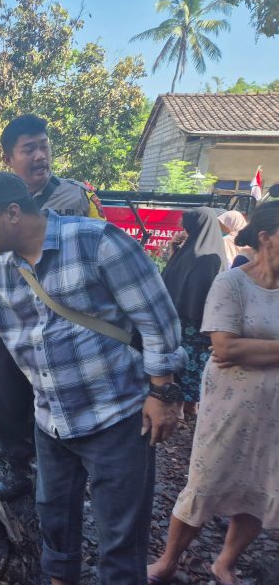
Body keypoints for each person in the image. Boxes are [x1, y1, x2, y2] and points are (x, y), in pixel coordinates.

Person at [0, 172, 186, 584]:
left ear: (12, 213)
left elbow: (159, 321)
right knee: (55, 522)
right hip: (52, 420)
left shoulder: (99, 243)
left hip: (116, 416)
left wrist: (162, 392)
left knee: (119, 536)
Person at [0, 113, 106, 500]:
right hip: (4, 327)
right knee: (4, 400)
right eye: (29, 149)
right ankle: (17, 467)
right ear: (10, 158)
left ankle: (61, 470)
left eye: (44, 145)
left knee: (62, 396)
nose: (40, 155)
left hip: (62, 326)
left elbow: (98, 253)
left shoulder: (75, 196)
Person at [148, 201, 279, 585]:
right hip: (229, 406)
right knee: (205, 481)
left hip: (275, 412)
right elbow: (224, 348)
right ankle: (168, 561)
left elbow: (239, 347)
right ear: (265, 237)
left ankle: (225, 562)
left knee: (263, 485)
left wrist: (253, 348)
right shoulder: (232, 282)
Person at [161, 207, 228, 414]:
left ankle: (187, 407)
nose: (184, 230)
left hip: (198, 324)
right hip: (192, 323)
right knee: (186, 366)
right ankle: (185, 407)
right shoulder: (192, 251)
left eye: (187, 227)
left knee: (191, 366)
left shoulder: (207, 257)